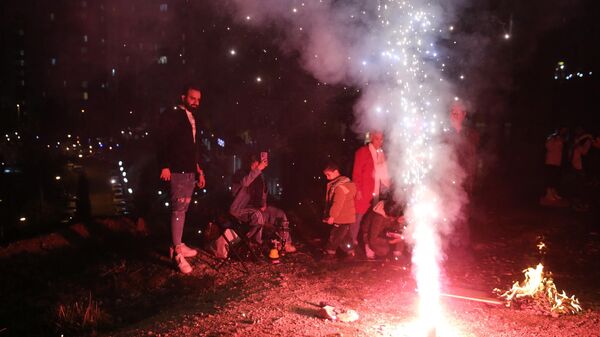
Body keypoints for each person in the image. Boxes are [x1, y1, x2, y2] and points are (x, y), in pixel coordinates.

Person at [157, 84, 206, 274]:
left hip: (190, 170)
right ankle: (177, 253)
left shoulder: (193, 118)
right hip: (176, 170)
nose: (196, 102)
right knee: (178, 208)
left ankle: (177, 244)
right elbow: (161, 140)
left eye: (198, 99)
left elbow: (195, 148)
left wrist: (200, 170)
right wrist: (164, 165)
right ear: (183, 97)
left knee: (183, 208)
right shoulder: (172, 114)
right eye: (192, 98)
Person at [229, 154, 297, 253]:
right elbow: (245, 183)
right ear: (251, 164)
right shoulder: (241, 174)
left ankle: (285, 243)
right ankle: (256, 245)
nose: (259, 168)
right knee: (258, 215)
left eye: (259, 165)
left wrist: (263, 203)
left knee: (280, 214)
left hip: (256, 208)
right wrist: (258, 169)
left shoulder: (260, 176)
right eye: (257, 165)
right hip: (240, 209)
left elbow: (264, 192)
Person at [352, 131, 390, 248]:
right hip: (364, 190)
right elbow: (357, 172)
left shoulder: (381, 154)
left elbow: (383, 174)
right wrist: (357, 189)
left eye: (382, 139)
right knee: (357, 218)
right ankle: (350, 242)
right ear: (372, 138)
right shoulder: (363, 152)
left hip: (376, 192)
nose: (380, 142)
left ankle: (368, 244)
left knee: (371, 219)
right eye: (378, 139)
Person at [323, 161, 357, 259]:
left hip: (341, 217)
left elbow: (337, 203)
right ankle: (350, 252)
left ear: (336, 172)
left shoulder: (339, 187)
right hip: (346, 216)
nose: (327, 177)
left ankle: (330, 252)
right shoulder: (345, 184)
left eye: (328, 175)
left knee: (335, 235)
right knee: (345, 236)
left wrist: (332, 216)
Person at [540, 127, 567, 205]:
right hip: (551, 161)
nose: (564, 131)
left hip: (557, 161)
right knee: (550, 177)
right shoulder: (552, 137)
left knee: (555, 178)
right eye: (563, 129)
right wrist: (555, 141)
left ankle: (553, 193)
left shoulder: (561, 138)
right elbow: (548, 147)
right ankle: (548, 194)